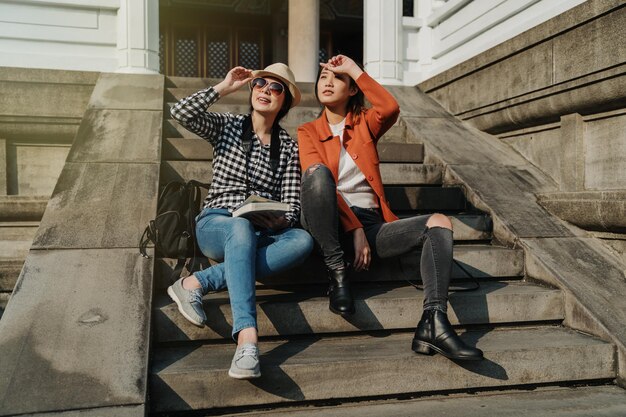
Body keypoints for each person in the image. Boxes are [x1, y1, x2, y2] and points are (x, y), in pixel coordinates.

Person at [297, 54, 483, 361]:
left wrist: (355, 70)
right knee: (316, 176)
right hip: (329, 226)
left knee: (439, 221)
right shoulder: (308, 131)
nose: (328, 82)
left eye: (337, 78)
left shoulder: (364, 125)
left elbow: (390, 107)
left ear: (353, 88)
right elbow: (319, 183)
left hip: (372, 225)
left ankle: (433, 322)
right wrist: (354, 228)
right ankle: (338, 272)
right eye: (323, 77)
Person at [169, 63, 314, 379]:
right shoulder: (228, 126)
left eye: (275, 88)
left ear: (284, 101)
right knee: (239, 225)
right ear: (252, 90)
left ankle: (195, 282)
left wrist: (277, 219)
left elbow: (291, 206)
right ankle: (247, 339)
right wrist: (224, 86)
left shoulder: (288, 147)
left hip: (261, 231)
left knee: (302, 240)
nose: (265, 90)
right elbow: (180, 113)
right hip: (217, 223)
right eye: (260, 83)